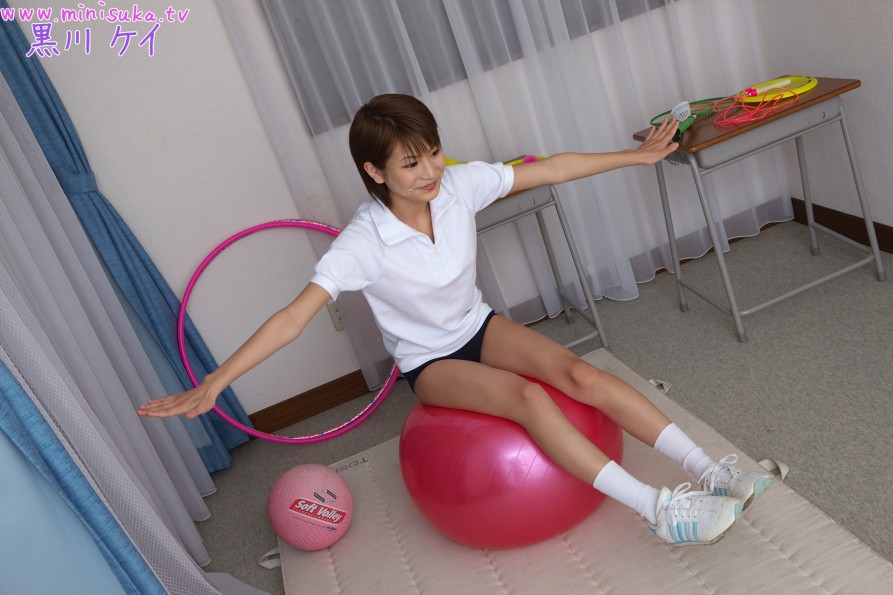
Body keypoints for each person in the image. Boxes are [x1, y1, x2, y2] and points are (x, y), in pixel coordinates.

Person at [139, 93, 773, 546]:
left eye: (433, 153)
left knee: (580, 374)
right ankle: (657, 510)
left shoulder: (458, 185)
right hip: (431, 361)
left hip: (479, 324)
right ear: (374, 172)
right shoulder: (363, 242)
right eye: (410, 164)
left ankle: (712, 471)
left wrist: (634, 158)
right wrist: (216, 382)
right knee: (529, 398)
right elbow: (291, 317)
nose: (429, 173)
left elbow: (550, 167)